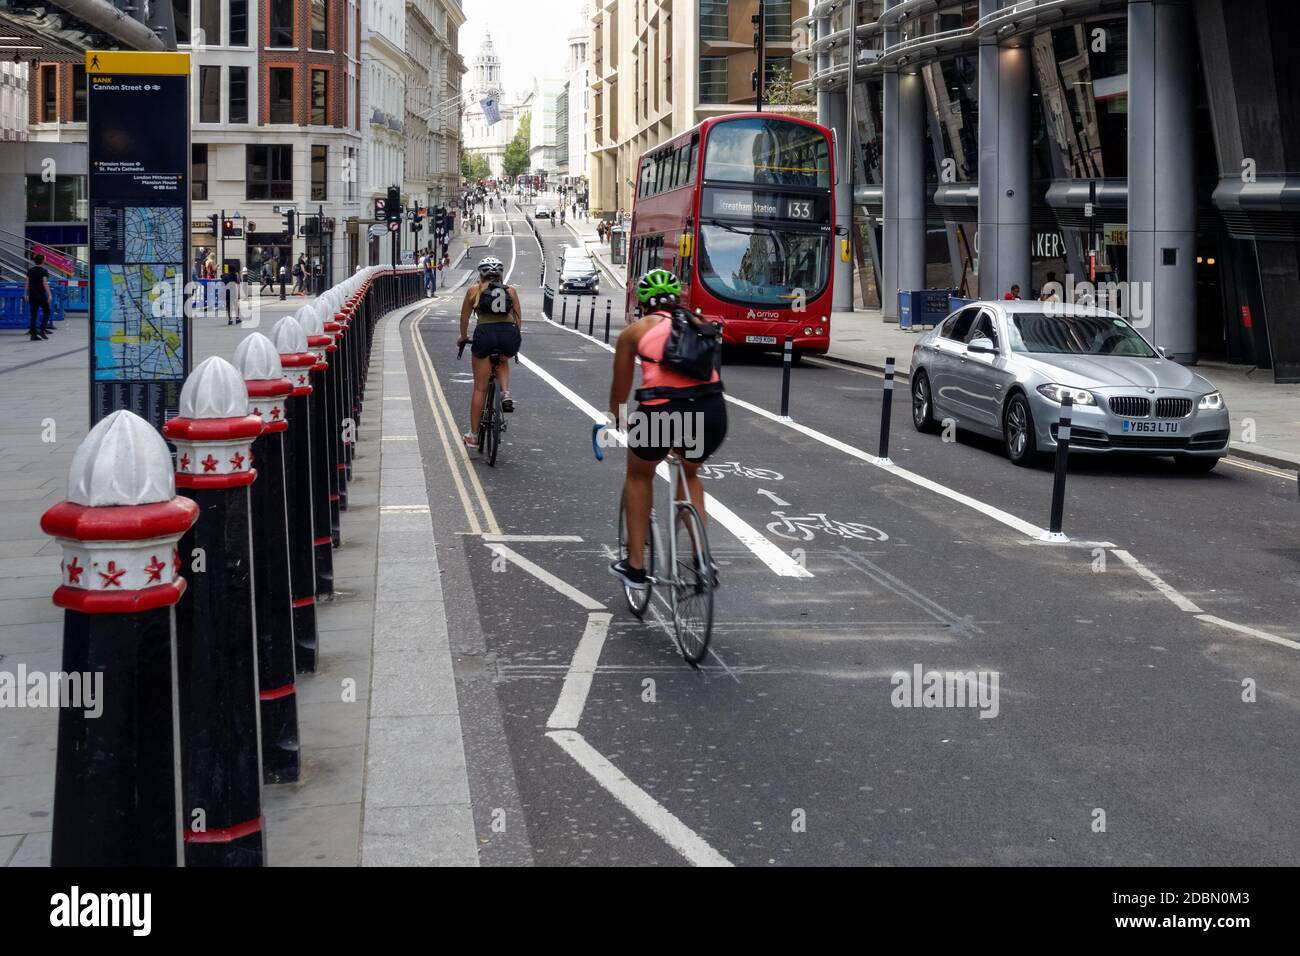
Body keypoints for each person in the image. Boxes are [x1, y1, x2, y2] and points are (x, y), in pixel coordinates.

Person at [606, 270, 727, 591]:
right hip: (710, 410)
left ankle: (635, 567)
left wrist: (618, 420)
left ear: (642, 303)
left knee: (639, 474)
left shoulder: (633, 333)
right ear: (678, 301)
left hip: (660, 411)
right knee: (690, 474)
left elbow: (620, 393)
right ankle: (703, 561)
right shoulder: (701, 324)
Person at [457, 256, 522, 449]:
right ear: (500, 274)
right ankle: (505, 392)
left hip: (485, 335)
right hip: (508, 334)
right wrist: (514, 338)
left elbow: (464, 317)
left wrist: (463, 337)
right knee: (502, 359)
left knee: (479, 388)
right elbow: (518, 319)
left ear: (481, 274)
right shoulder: (511, 291)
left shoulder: (474, 291)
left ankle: (474, 435)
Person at [26, 252, 52, 341]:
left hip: (32, 295)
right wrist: (49, 294)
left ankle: (33, 335)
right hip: (41, 295)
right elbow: (45, 283)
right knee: (47, 311)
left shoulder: (30, 271)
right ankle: (42, 329)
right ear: (43, 261)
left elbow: (27, 283)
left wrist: (25, 294)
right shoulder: (44, 271)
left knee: (33, 315)